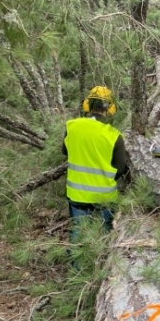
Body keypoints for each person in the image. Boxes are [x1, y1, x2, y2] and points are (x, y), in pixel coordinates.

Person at [62, 86, 126, 241]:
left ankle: (77, 265)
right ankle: (101, 262)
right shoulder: (115, 135)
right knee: (104, 236)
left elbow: (65, 152)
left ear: (87, 104)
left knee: (78, 233)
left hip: (77, 194)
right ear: (110, 108)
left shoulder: (71, 126)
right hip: (105, 196)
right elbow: (120, 168)